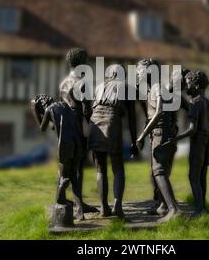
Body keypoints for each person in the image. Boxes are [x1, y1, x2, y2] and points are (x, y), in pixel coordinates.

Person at [88, 64, 138, 218]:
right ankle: (117, 206)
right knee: (118, 168)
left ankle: (103, 208)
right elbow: (132, 118)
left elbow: (92, 109)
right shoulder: (127, 87)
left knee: (100, 169)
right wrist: (134, 141)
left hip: (95, 124)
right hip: (111, 122)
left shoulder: (99, 86)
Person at [136, 59, 181, 222]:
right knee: (158, 172)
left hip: (161, 134)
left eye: (139, 70)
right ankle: (163, 205)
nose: (137, 73)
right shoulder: (154, 89)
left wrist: (141, 135)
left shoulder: (157, 88)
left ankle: (174, 210)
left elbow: (160, 111)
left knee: (159, 172)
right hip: (164, 133)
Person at [31, 94, 84, 220]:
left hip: (65, 145)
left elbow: (42, 128)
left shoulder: (49, 110)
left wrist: (36, 112)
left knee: (64, 176)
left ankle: (61, 194)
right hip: (78, 143)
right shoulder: (65, 105)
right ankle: (80, 211)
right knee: (74, 177)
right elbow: (54, 125)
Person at [59, 47, 98, 214]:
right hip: (78, 128)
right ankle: (79, 205)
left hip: (64, 128)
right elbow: (87, 110)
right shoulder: (83, 83)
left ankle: (75, 202)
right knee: (78, 166)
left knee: (67, 165)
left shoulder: (63, 83)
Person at [175, 70, 209, 216]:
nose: (186, 87)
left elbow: (192, 129)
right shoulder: (208, 103)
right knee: (202, 176)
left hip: (198, 142)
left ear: (196, 86)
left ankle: (199, 210)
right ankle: (203, 207)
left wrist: (175, 138)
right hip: (207, 141)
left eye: (188, 84)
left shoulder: (194, 102)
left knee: (193, 176)